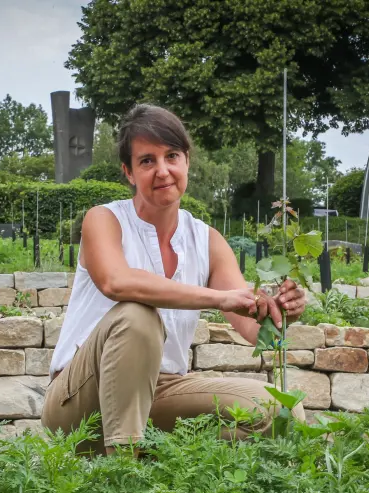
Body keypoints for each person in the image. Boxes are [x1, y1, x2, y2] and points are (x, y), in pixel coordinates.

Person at [42, 104, 306, 455]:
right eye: (147, 161)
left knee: (282, 410)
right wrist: (218, 298)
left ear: (187, 162)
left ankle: (163, 463)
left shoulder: (206, 240)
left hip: (160, 393)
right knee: (136, 316)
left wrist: (279, 312)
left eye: (172, 156)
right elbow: (117, 283)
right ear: (129, 172)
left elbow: (252, 328)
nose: (163, 170)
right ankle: (121, 476)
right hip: (79, 399)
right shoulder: (103, 220)